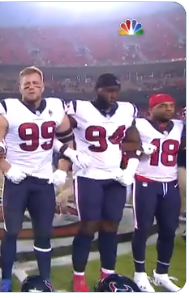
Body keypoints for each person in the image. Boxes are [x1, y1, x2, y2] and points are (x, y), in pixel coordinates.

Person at [0, 66, 89, 292]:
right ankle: (5, 279)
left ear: (43, 85)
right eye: (26, 84)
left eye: (35, 82)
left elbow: (66, 140)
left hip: (43, 181)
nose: (31, 86)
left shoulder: (56, 107)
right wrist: (6, 167)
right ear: (19, 87)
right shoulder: (7, 108)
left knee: (44, 232)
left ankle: (45, 278)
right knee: (11, 231)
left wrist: (62, 168)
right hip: (16, 180)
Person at [65, 73, 142, 292]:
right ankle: (78, 276)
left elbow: (133, 141)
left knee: (111, 226)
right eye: (108, 89)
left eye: (116, 90)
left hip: (116, 177)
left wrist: (131, 169)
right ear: (96, 89)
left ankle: (107, 274)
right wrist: (70, 153)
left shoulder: (127, 110)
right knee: (89, 226)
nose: (112, 94)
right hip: (89, 175)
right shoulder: (79, 109)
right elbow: (56, 131)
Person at [131, 94, 184, 292]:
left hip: (170, 184)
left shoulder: (180, 126)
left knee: (169, 230)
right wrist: (138, 148)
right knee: (142, 229)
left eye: (171, 105)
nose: (169, 109)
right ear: (151, 109)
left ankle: (161, 273)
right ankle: (139, 273)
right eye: (163, 106)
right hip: (146, 183)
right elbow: (122, 145)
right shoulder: (138, 124)